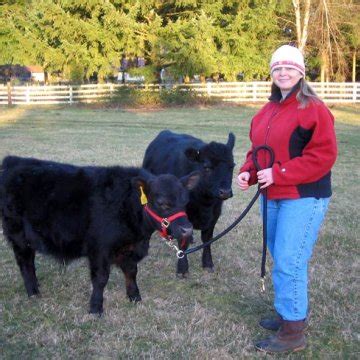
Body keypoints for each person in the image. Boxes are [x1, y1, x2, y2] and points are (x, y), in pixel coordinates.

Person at [237, 45, 337, 353]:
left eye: (289, 67)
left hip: (303, 197)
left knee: (290, 261)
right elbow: (259, 153)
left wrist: (278, 173)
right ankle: (287, 313)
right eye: (277, 67)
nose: (283, 72)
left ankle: (294, 331)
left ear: (301, 72)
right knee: (281, 257)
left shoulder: (314, 109)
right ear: (271, 73)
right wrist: (248, 172)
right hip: (272, 196)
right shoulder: (265, 112)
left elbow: (323, 156)